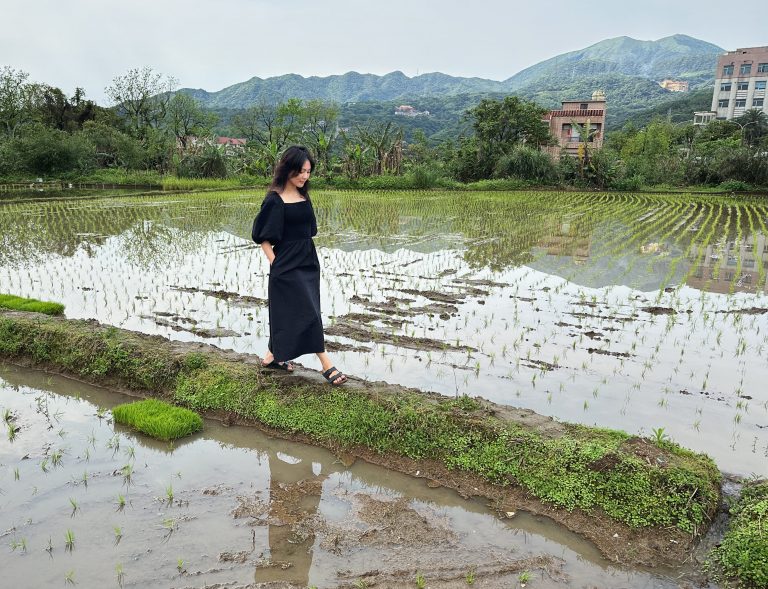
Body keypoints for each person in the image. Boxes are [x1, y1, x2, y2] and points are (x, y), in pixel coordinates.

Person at [251, 146, 347, 385]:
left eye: (308, 171)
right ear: (287, 169)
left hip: (308, 261)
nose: (305, 176)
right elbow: (263, 237)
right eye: (300, 171)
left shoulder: (304, 196)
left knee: (295, 310)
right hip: (286, 264)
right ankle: (326, 364)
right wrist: (277, 265)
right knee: (308, 313)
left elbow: (309, 230)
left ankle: (272, 356)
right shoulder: (274, 199)